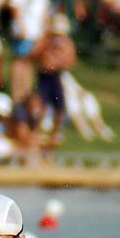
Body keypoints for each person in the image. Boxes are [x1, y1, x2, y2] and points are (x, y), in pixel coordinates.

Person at [31, 13, 77, 147]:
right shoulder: (45, 40)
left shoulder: (66, 43)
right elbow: (34, 54)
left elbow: (70, 61)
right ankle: (36, 131)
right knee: (42, 104)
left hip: (56, 76)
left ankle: (54, 133)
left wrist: (58, 59)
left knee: (59, 107)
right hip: (44, 76)